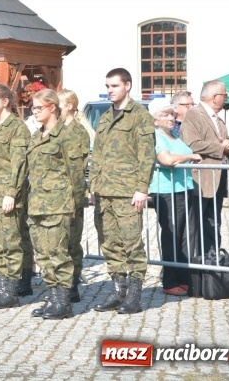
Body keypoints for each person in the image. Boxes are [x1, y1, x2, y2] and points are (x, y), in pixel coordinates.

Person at [90, 68, 156, 315]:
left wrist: (141, 188)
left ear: (127, 86)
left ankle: (135, 295)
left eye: (114, 86)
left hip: (128, 191)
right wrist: (94, 186)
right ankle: (118, 290)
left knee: (131, 243)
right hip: (105, 191)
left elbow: (146, 154)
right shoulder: (106, 117)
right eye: (107, 86)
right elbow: (96, 155)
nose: (110, 90)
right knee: (109, 243)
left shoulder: (139, 115)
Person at [26, 89, 84, 319]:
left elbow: (76, 173)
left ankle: (64, 301)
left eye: (38, 107)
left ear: (52, 107)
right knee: (43, 254)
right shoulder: (36, 136)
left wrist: (76, 203)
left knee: (58, 253)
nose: (34, 111)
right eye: (33, 107)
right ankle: (53, 297)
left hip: (59, 204)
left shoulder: (66, 136)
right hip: (37, 204)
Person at [0, 84, 32, 310]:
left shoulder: (17, 128)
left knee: (11, 243)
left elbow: (19, 165)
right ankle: (2, 284)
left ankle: (12, 288)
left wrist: (11, 193)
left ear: (5, 101)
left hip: (6, 196)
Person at [147, 97, 202, 296]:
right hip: (166, 191)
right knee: (172, 236)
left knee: (185, 237)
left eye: (172, 113)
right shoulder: (156, 136)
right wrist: (189, 157)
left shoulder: (174, 135)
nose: (171, 117)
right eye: (166, 114)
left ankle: (183, 277)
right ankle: (170, 281)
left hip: (184, 189)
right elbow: (166, 159)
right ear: (155, 119)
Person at [180, 80, 229, 257]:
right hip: (200, 180)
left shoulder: (217, 118)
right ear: (215, 97)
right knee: (196, 225)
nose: (226, 98)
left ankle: (212, 259)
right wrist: (221, 148)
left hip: (217, 180)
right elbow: (192, 144)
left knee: (213, 223)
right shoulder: (194, 115)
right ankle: (194, 265)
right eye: (224, 95)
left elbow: (222, 142)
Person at [58, 89, 91, 303]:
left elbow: (78, 169)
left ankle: (73, 283)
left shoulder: (78, 132)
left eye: (58, 104)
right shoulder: (55, 129)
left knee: (72, 242)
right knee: (59, 242)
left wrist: (75, 198)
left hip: (72, 194)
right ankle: (60, 283)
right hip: (56, 195)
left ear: (69, 106)